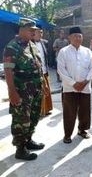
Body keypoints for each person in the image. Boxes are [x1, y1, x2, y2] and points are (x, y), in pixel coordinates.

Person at [3, 18, 45, 160]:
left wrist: (42, 84)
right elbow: (8, 72)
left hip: (35, 89)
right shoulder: (12, 47)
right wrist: (12, 92)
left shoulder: (31, 45)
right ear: (21, 30)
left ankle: (28, 140)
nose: (33, 32)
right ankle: (20, 149)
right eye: (30, 30)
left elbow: (37, 66)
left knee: (34, 116)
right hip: (21, 91)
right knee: (21, 120)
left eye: (34, 30)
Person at [57, 27, 92, 143]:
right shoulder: (63, 51)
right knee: (69, 112)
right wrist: (74, 84)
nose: (78, 38)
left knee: (85, 110)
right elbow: (61, 70)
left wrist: (84, 82)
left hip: (85, 87)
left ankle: (82, 130)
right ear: (69, 37)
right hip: (69, 88)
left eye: (79, 36)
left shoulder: (87, 51)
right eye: (75, 36)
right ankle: (67, 134)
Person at [33, 26, 53, 116]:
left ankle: (47, 109)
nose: (40, 34)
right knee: (38, 93)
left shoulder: (44, 43)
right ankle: (38, 111)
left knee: (47, 90)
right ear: (34, 33)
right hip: (36, 73)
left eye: (41, 32)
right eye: (38, 32)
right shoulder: (30, 44)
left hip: (45, 71)